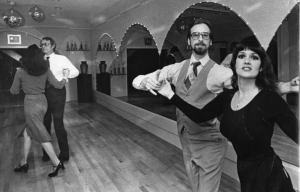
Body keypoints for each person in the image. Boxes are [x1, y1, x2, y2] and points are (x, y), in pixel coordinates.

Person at [132, 18, 298, 192]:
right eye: (195, 35)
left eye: (205, 35)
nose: (200, 39)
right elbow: (139, 80)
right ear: (189, 41)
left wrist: (286, 86)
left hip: (210, 140)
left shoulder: (222, 73)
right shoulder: (175, 69)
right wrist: (145, 82)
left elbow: (254, 89)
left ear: (210, 41)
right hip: (186, 139)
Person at [10, 44, 69, 177]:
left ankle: (56, 162)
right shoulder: (46, 70)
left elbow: (13, 91)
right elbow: (59, 85)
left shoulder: (20, 72)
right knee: (28, 132)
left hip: (30, 103)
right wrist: (65, 77)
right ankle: (23, 162)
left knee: (40, 133)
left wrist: (22, 87)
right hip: (43, 102)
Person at [40, 37, 79, 163]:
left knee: (58, 124)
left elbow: (75, 71)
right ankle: (47, 154)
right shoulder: (39, 60)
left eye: (46, 44)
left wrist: (65, 78)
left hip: (57, 92)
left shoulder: (61, 59)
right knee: (44, 124)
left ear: (53, 45)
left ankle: (64, 153)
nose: (43, 46)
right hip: (41, 93)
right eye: (42, 45)